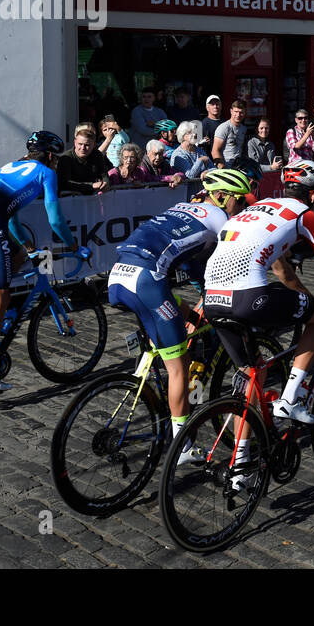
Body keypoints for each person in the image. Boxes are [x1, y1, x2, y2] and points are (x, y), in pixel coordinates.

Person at [203, 160, 314, 443]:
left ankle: (240, 464)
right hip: (247, 297)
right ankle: (290, 399)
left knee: (251, 376)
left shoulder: (260, 206)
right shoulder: (306, 215)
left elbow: (282, 271)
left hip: (212, 298)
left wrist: (304, 297)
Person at [109, 168, 256, 465]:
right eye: (239, 201)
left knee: (178, 316)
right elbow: (222, 268)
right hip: (147, 281)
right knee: (179, 367)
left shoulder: (182, 207)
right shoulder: (221, 220)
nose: (241, 208)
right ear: (222, 196)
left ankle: (152, 379)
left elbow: (189, 262)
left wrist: (197, 308)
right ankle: (183, 445)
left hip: (117, 277)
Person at [0, 131, 88, 391]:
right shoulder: (46, 172)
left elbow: (12, 219)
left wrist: (29, 248)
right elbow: (55, 219)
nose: (56, 163)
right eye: (57, 158)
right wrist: (73, 244)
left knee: (16, 257)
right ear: (50, 155)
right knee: (1, 296)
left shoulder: (11, 166)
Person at [56, 124, 112, 195]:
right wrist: (91, 185)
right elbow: (64, 183)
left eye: (87, 145)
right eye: (80, 144)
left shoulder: (97, 155)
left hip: (92, 198)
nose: (83, 148)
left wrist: (106, 183)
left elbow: (104, 175)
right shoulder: (66, 158)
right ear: (75, 142)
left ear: (94, 145)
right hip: (70, 199)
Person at [211, 100, 249, 166]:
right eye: (236, 112)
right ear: (231, 111)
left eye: (241, 112)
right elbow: (215, 150)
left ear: (245, 112)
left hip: (240, 167)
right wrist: (222, 168)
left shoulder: (244, 129)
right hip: (226, 168)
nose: (238, 115)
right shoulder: (224, 127)